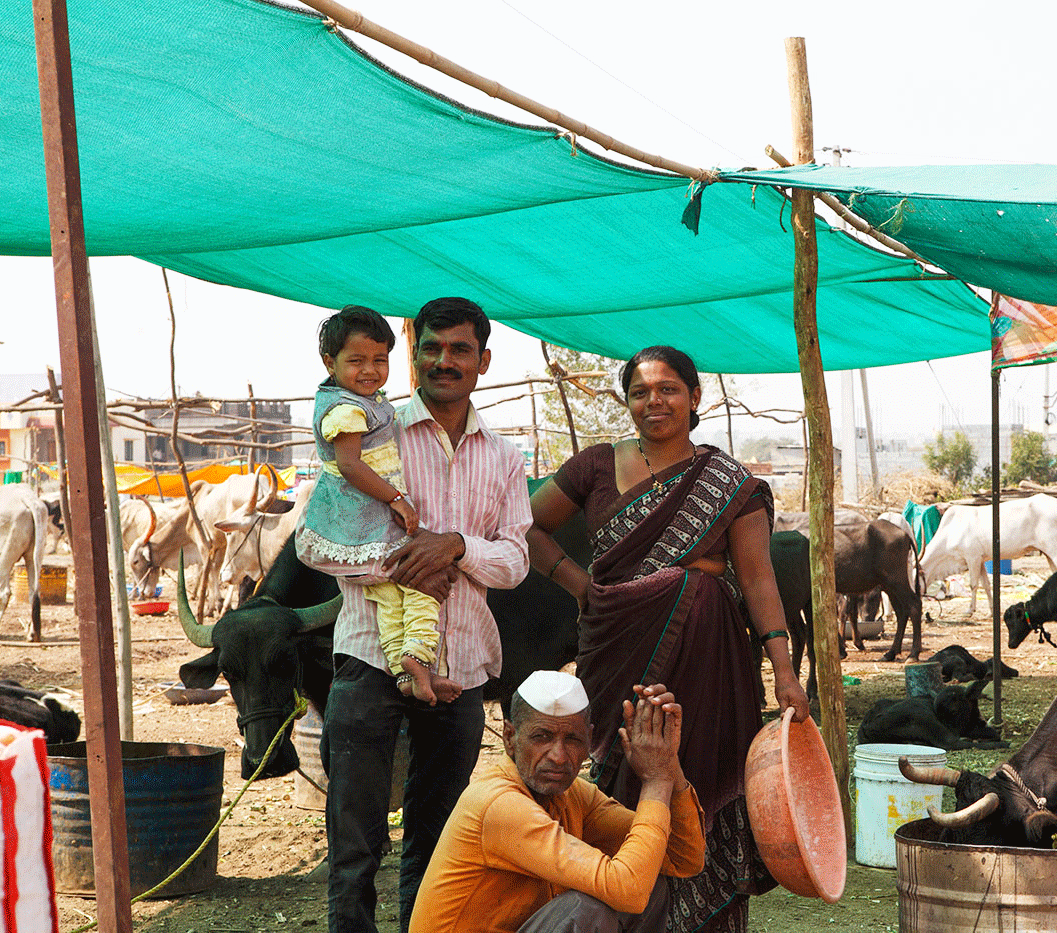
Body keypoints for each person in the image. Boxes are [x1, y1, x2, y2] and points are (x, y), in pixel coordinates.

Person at [526, 345, 811, 933]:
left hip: (707, 655)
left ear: (694, 397)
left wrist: (786, 673)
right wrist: (581, 586)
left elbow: (757, 579)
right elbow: (524, 527)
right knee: (624, 779)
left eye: (668, 389)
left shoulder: (728, 480)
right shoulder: (595, 466)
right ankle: (627, 911)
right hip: (614, 650)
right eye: (639, 392)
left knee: (698, 779)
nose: (653, 401)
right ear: (626, 401)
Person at [311, 297, 532, 933]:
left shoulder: (504, 457)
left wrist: (456, 546)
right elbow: (322, 543)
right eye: (431, 348)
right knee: (354, 845)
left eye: (459, 349)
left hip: (460, 665)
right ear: (414, 354)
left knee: (438, 846)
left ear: (483, 360)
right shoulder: (367, 431)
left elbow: (516, 562)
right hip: (369, 657)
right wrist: (403, 564)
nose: (443, 361)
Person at [410, 671, 705, 933]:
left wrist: (667, 765)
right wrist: (656, 783)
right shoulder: (498, 804)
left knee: (649, 878)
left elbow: (683, 858)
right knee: (584, 910)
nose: (559, 756)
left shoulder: (572, 795)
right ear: (509, 737)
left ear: (589, 740)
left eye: (573, 740)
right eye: (542, 737)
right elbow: (628, 890)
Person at [296, 305, 439, 704]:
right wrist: (398, 499)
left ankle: (405, 672)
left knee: (389, 597)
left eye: (380, 360)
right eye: (356, 361)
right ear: (330, 362)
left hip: (360, 522)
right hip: (363, 520)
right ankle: (419, 654)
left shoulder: (360, 400)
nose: (370, 370)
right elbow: (350, 465)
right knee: (420, 582)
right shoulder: (345, 408)